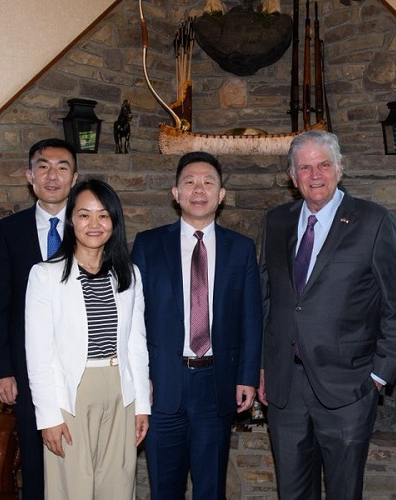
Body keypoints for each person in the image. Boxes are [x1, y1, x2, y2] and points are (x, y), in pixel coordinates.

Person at [258, 130, 396, 499]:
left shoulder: (374, 221)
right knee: (292, 492)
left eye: (324, 164)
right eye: (305, 167)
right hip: (285, 388)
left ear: (340, 168)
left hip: (350, 387)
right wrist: (263, 365)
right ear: (292, 178)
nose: (315, 175)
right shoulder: (275, 221)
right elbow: (266, 300)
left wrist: (379, 376)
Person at [131, 151, 263, 500]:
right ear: (176, 193)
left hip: (215, 384)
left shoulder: (241, 249)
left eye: (208, 182)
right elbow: (132, 320)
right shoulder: (147, 244)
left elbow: (251, 318)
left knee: (210, 488)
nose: (198, 189)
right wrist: (138, 378)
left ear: (221, 195)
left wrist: (247, 376)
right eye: (189, 182)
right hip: (162, 384)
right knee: (164, 487)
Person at [25, 179, 151, 499]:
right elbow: (38, 355)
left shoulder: (129, 275)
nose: (94, 224)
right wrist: (48, 418)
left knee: (119, 487)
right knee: (73, 489)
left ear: (114, 222)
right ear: (70, 219)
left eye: (103, 215)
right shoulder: (45, 275)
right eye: (84, 215)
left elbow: (136, 345)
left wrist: (142, 407)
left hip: (121, 391)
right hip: (71, 394)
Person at [0, 138, 78, 499]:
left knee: (80, 459)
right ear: (30, 176)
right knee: (36, 466)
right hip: (26, 370)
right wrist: (1, 369)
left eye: (62, 167)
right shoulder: (9, 230)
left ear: (74, 177)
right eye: (43, 166)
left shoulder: (90, 224)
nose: (52, 175)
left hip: (83, 366)